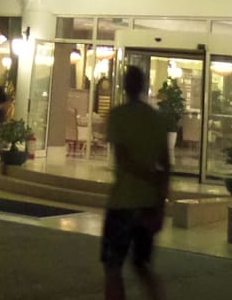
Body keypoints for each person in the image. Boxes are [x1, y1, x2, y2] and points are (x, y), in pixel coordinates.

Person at [102, 65, 169, 300]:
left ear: (125, 85)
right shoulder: (156, 119)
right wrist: (160, 205)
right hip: (148, 202)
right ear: (143, 86)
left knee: (113, 267)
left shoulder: (118, 116)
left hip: (122, 203)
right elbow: (166, 166)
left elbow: (123, 159)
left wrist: (148, 176)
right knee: (142, 265)